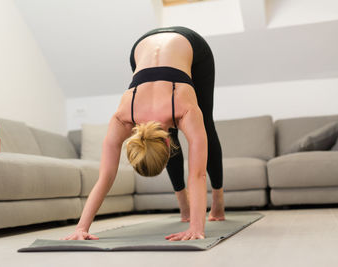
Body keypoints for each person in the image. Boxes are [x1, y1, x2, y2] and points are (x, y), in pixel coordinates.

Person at [62, 26, 225, 242]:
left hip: (190, 43)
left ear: (167, 146)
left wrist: (197, 228)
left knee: (206, 124)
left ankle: (218, 202)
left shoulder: (185, 108)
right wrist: (80, 228)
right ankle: (184, 208)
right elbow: (106, 177)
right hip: (141, 46)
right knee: (189, 129)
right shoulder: (122, 117)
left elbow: (197, 174)